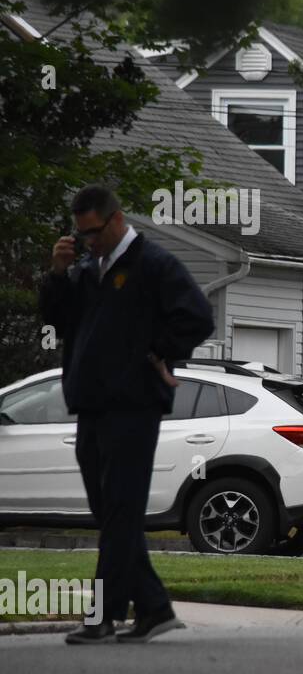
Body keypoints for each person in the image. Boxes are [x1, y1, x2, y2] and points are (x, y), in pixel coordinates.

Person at [40, 184, 214, 644]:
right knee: (111, 512)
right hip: (92, 404)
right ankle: (154, 608)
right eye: (81, 235)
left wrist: (157, 352)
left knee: (119, 509)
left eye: (93, 233)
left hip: (134, 406)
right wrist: (58, 274)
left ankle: (103, 615)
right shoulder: (85, 271)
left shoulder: (154, 265)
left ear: (116, 220)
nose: (88, 242)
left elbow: (197, 317)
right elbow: (55, 322)